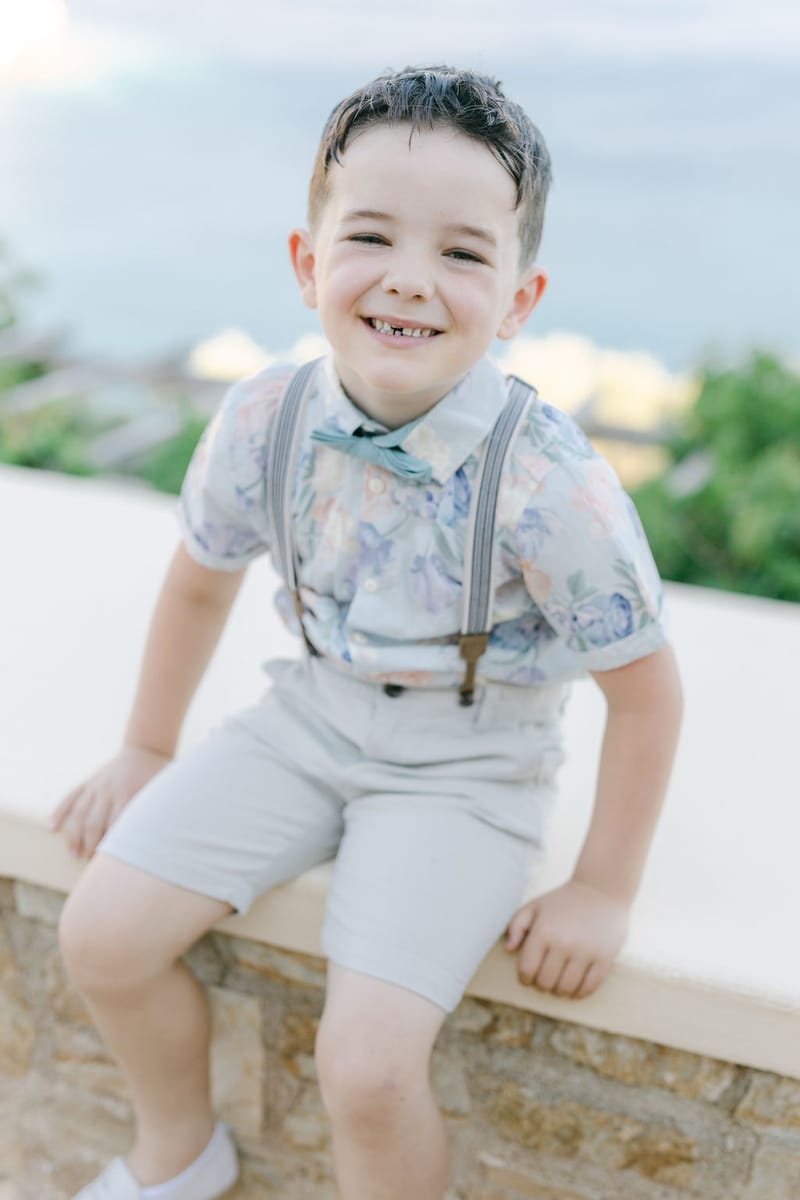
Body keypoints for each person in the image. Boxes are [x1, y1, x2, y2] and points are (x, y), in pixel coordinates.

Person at [51, 65, 683, 1200]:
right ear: (308, 263)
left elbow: (644, 692)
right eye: (371, 238)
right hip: (307, 714)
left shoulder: (548, 484)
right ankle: (176, 1157)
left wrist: (600, 888)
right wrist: (148, 747)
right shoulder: (265, 417)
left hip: (470, 761)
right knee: (99, 935)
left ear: (519, 298)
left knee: (366, 1066)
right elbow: (199, 583)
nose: (408, 280)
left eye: (460, 253)